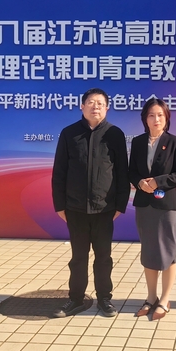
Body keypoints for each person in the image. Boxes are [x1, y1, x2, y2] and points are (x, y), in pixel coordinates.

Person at [51, 88, 130, 318]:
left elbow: (122, 172)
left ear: (107, 108)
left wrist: (120, 205)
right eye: (91, 102)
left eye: (100, 103)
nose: (95, 107)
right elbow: (59, 171)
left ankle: (105, 299)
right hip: (75, 209)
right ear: (82, 106)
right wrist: (60, 205)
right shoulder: (69, 133)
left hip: (104, 209)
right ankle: (76, 299)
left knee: (103, 257)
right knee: (78, 258)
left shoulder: (115, 134)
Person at [129, 99, 176, 320]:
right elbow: (131, 171)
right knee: (149, 250)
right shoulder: (138, 142)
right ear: (145, 119)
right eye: (151, 115)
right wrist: (139, 182)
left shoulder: (175, 142)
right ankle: (151, 296)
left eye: (160, 115)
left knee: (168, 251)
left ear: (167, 118)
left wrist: (157, 182)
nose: (156, 119)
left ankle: (164, 299)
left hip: (166, 206)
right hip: (144, 205)